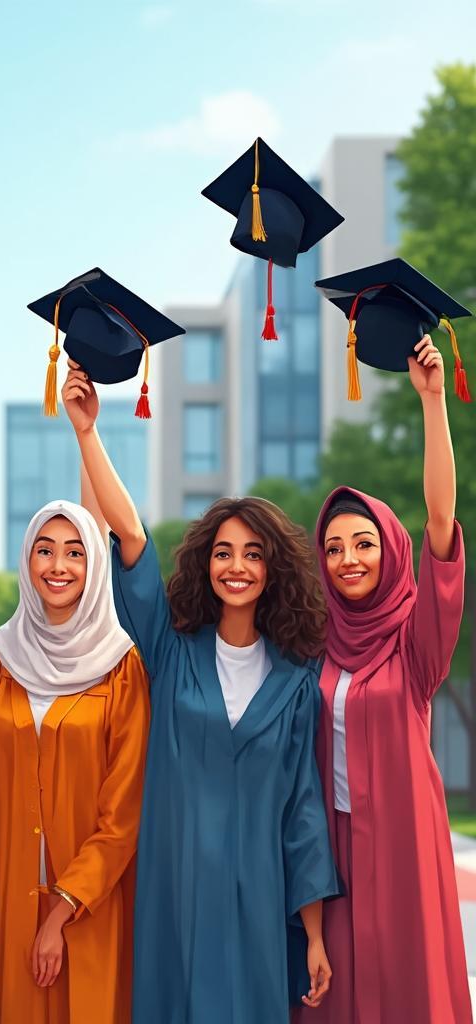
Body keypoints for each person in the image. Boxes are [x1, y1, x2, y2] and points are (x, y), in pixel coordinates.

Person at [61, 361, 340, 1022]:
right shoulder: (168, 652)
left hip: (257, 898)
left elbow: (303, 811)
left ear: (271, 570)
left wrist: (318, 935)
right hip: (175, 889)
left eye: (251, 554)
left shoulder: (297, 682)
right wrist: (86, 434)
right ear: (204, 563)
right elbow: (128, 540)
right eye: (223, 552)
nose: (236, 566)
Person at [304, 332, 471, 1023]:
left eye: (364, 543)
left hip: (403, 839)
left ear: (390, 550)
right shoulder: (315, 644)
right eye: (335, 546)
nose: (348, 558)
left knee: (408, 989)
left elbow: (440, 521)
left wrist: (432, 404)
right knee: (336, 995)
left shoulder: (415, 642)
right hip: (332, 852)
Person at [0, 495, 150, 1022]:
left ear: (95, 566)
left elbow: (123, 814)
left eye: (76, 552)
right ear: (26, 562)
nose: (59, 566)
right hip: (7, 898)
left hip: (90, 906)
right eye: (44, 550)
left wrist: (63, 910)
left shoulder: (120, 667)